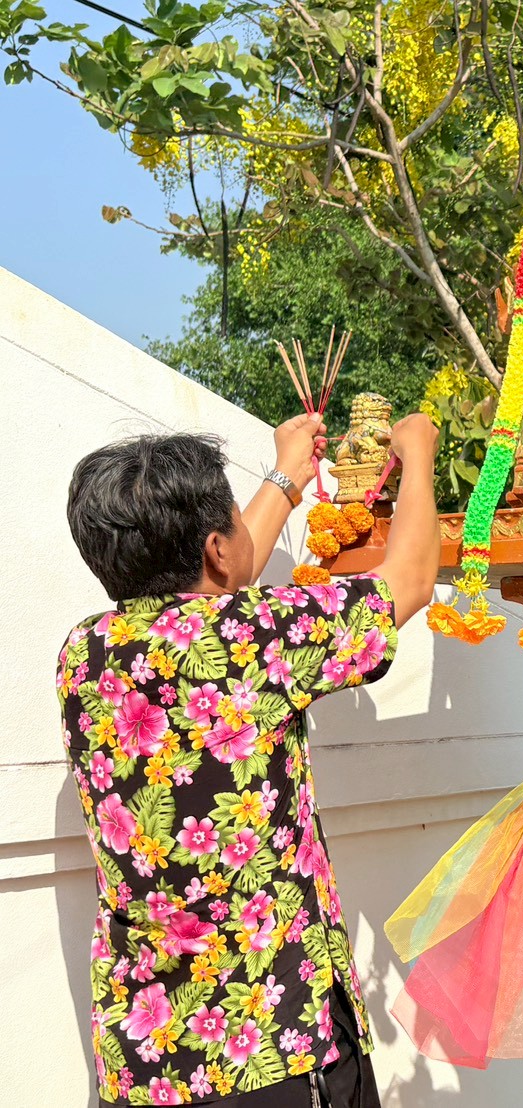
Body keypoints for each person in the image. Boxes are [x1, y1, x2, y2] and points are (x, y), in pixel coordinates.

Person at [57, 412, 442, 1106]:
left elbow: (220, 580)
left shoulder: (83, 653)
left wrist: (286, 476)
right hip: (273, 1051)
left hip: (147, 1062)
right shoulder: (256, 634)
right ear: (213, 548)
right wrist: (417, 454)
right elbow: (409, 579)